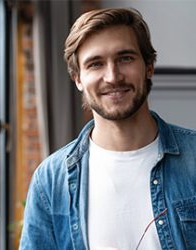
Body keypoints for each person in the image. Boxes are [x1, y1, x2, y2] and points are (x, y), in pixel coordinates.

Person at [19, 8, 196, 250]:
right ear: (78, 79)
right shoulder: (50, 180)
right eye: (95, 64)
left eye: (125, 58)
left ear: (149, 67)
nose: (112, 76)